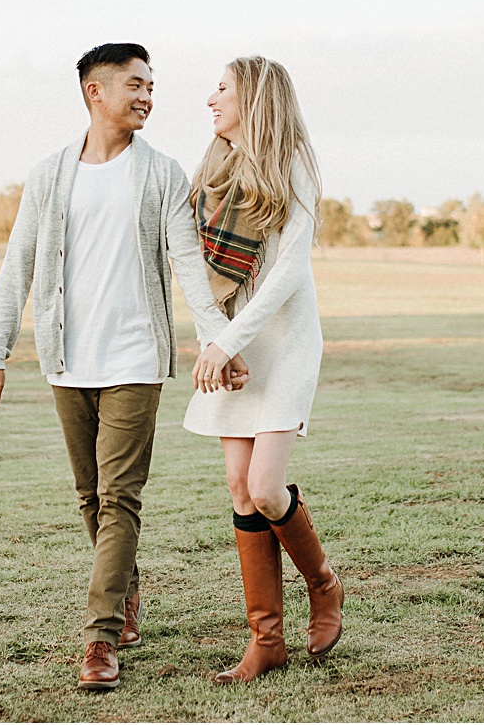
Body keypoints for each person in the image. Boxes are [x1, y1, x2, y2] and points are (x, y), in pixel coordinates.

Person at [0, 42, 249, 692]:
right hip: (68, 359)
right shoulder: (49, 175)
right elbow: (18, 265)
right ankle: (123, 593)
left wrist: (220, 341)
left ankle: (100, 639)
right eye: (135, 83)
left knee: (120, 494)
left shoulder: (160, 173)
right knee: (90, 496)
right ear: (95, 90)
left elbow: (187, 263)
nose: (148, 95)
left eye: (152, 84)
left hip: (134, 359)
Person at [183, 55, 344, 684]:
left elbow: (290, 271)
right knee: (236, 483)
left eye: (222, 89)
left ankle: (324, 584)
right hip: (233, 344)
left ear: (255, 99)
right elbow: (199, 274)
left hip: (284, 344)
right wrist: (217, 342)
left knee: (266, 488)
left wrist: (230, 343)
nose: (210, 99)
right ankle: (266, 642)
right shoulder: (213, 169)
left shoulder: (295, 162)